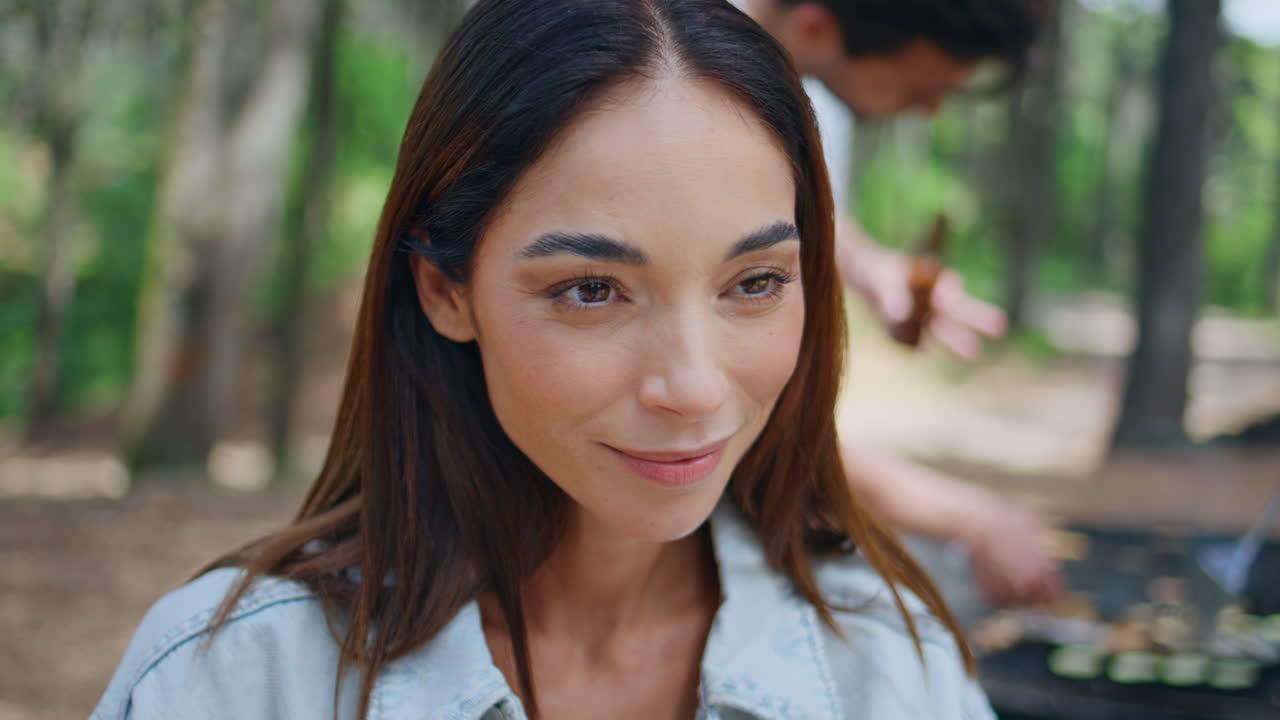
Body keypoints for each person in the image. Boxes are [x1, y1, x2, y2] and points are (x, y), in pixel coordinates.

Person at [92, 1, 994, 718]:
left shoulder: (887, 667)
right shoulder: (238, 683)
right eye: (592, 290)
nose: (691, 386)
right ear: (447, 291)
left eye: (754, 283)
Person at [733, 0, 1064, 608]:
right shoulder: (696, 109)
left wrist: (870, 269)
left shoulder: (787, 91)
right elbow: (736, 429)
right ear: (816, 27)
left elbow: (803, 209)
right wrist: (971, 516)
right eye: (918, 87)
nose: (931, 109)